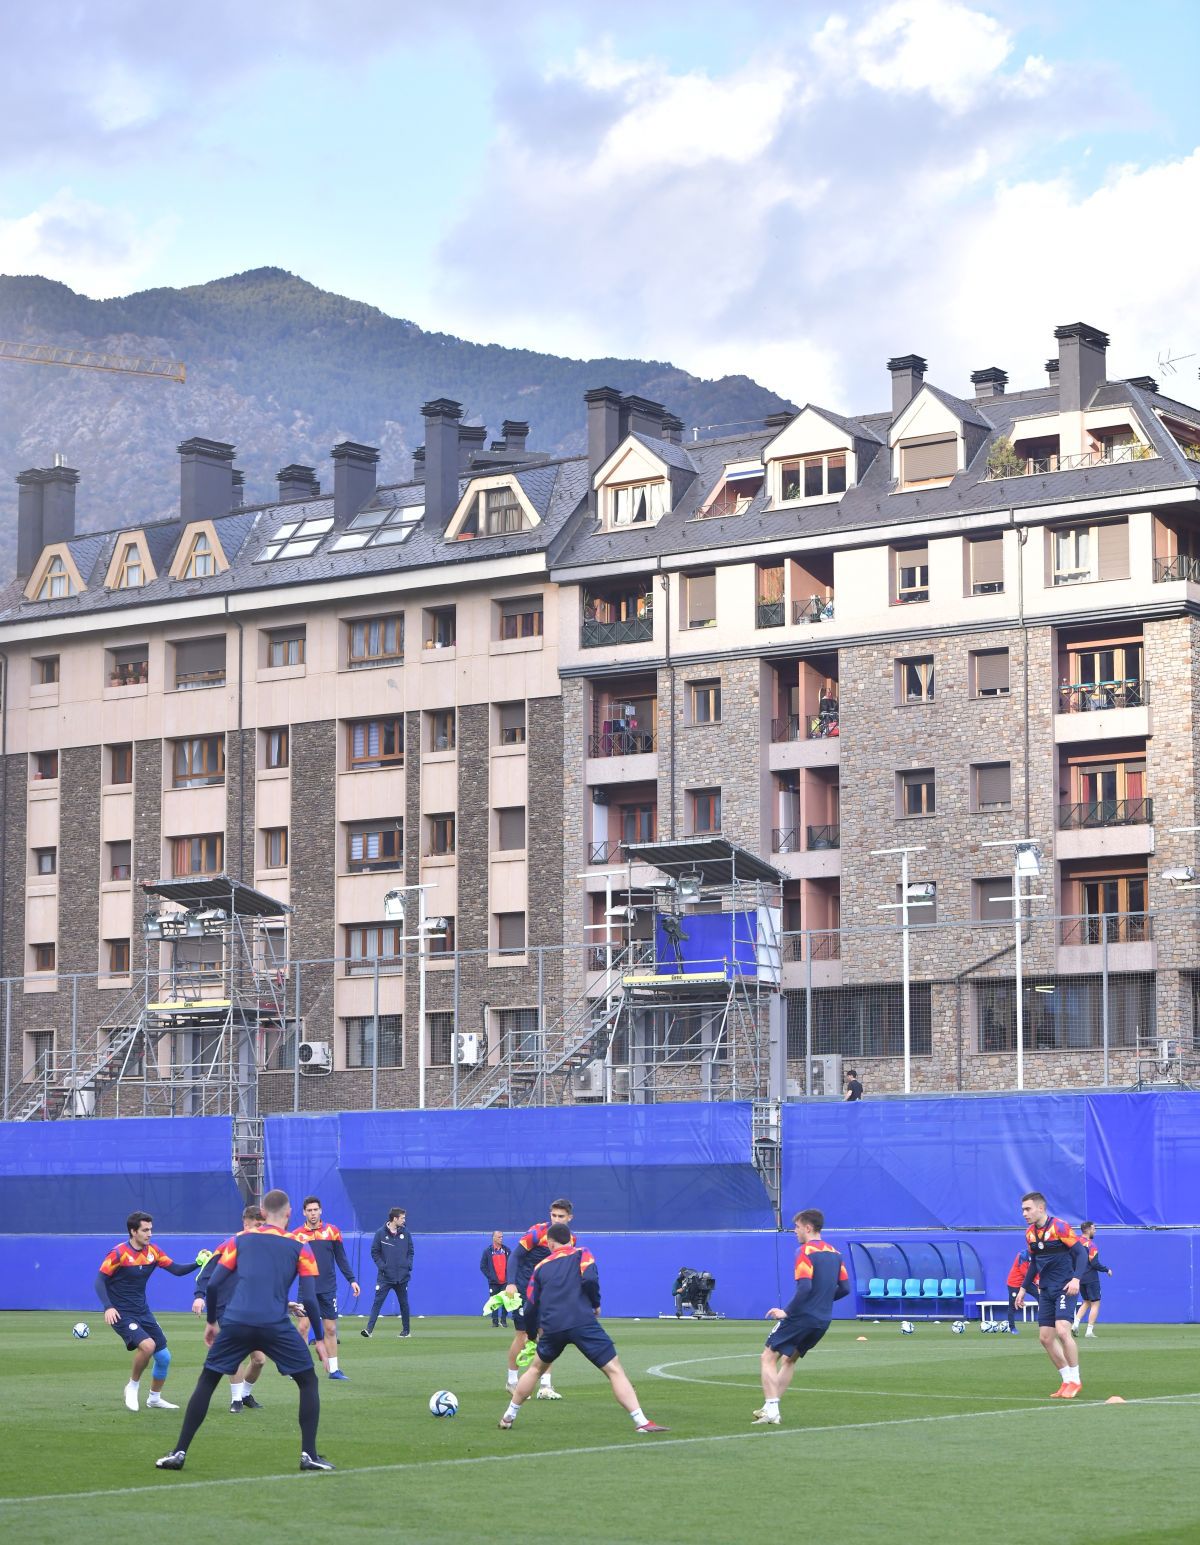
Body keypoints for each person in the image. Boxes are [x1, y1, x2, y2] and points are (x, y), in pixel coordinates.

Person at [155, 1188, 334, 1473]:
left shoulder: (238, 1241)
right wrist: (320, 1340)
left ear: (262, 1214)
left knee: (208, 1381)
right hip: (275, 1324)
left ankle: (179, 1451)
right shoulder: (301, 1246)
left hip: (236, 1322)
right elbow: (310, 1299)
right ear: (289, 1215)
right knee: (308, 1383)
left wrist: (212, 1322)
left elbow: (213, 1284)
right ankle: (308, 1454)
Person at [498, 1224, 667, 1434]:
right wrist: (595, 1303)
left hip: (552, 1327)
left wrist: (532, 1335)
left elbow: (531, 1305)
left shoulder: (540, 1267)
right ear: (570, 1240)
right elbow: (590, 1279)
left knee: (535, 1369)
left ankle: (508, 1416)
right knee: (614, 1369)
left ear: (550, 1243)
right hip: (581, 1321)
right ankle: (641, 1421)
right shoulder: (582, 1253)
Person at [94, 1210, 201, 1412]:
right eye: (145, 1230)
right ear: (133, 1231)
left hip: (143, 1311)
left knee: (164, 1358)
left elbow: (176, 1270)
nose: (150, 1234)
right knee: (148, 1346)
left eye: (151, 1229)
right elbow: (99, 1280)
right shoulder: (118, 1253)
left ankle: (154, 1398)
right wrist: (108, 1307)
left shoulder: (153, 1252)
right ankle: (132, 1386)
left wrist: (198, 1263)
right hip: (121, 1313)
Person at [753, 1207, 849, 1425]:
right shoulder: (836, 1253)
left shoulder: (805, 1252)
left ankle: (772, 1410)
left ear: (808, 1227)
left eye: (796, 1227)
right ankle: (770, 1406)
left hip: (801, 1317)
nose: (794, 1231)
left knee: (768, 1357)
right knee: (790, 1360)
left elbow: (804, 1287)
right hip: (822, 1321)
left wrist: (786, 1312)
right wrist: (822, 1301)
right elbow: (844, 1289)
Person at [192, 1203, 267, 1411]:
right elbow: (206, 1274)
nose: (261, 1229)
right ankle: (235, 1400)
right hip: (228, 1309)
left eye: (263, 1225)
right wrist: (199, 1296)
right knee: (236, 1353)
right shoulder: (229, 1245)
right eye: (257, 1224)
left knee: (259, 1359)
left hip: (252, 1309)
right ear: (246, 1223)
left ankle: (244, 1395)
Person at [1015, 1191, 1088, 1398]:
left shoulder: (1060, 1227)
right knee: (1045, 1338)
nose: (1024, 1214)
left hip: (1065, 1287)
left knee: (1063, 1331)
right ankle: (1066, 1381)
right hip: (1045, 1289)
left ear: (1041, 1208)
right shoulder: (1029, 1234)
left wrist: (1076, 1279)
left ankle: (1076, 1379)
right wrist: (1023, 1289)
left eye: (1027, 1209)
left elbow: (1081, 1254)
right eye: (1022, 1210)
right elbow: (1034, 1264)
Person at [507, 1199, 573, 1400]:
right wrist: (511, 1283)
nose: (556, 1219)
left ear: (570, 1218)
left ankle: (545, 1385)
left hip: (547, 1293)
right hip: (525, 1291)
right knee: (523, 1335)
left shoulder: (571, 1240)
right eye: (553, 1215)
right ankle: (511, 1381)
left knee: (548, 1336)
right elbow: (516, 1257)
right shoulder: (537, 1232)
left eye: (561, 1216)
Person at [291, 1195, 360, 1378]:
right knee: (303, 1327)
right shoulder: (297, 1235)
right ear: (304, 1212)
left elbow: (341, 1258)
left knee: (330, 1329)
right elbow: (289, 1263)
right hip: (306, 1288)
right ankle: (299, 1369)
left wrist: (352, 1279)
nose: (313, 1213)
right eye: (309, 1210)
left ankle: (334, 1370)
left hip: (328, 1288)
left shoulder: (332, 1231)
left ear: (320, 1211)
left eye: (315, 1210)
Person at [361, 1207, 414, 1338]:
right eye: (402, 1218)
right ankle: (369, 1330)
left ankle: (406, 1331)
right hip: (385, 1277)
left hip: (402, 1276)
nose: (404, 1220)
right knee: (377, 1302)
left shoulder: (405, 1233)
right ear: (394, 1219)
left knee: (404, 1304)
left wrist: (408, 1265)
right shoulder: (380, 1233)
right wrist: (382, 1266)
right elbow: (374, 1252)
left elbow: (411, 1251)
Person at [1072, 1222, 1113, 1337]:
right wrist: (1107, 1270)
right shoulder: (1091, 1245)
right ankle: (1089, 1331)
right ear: (1088, 1229)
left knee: (1086, 1302)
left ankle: (1075, 1324)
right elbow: (1094, 1263)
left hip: (1079, 1277)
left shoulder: (1075, 1242)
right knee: (1095, 1304)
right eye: (1094, 1228)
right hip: (1091, 1278)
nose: (1095, 1231)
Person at [480, 1230, 512, 1325]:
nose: (501, 1238)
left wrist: (509, 1277)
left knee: (506, 1301)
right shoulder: (488, 1252)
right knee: (494, 1301)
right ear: (493, 1238)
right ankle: (495, 1321)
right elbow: (483, 1266)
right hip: (494, 1282)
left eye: (502, 1237)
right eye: (499, 1237)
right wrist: (490, 1277)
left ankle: (503, 1320)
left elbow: (512, 1264)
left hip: (505, 1281)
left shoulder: (507, 1250)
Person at [1004, 1248, 1032, 1334]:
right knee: (1013, 1306)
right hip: (1014, 1283)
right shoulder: (1023, 1255)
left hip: (1027, 1282)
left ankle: (1047, 1325)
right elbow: (1025, 1272)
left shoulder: (1038, 1255)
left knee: (1041, 1296)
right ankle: (1012, 1328)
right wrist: (1037, 1281)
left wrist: (1039, 1284)